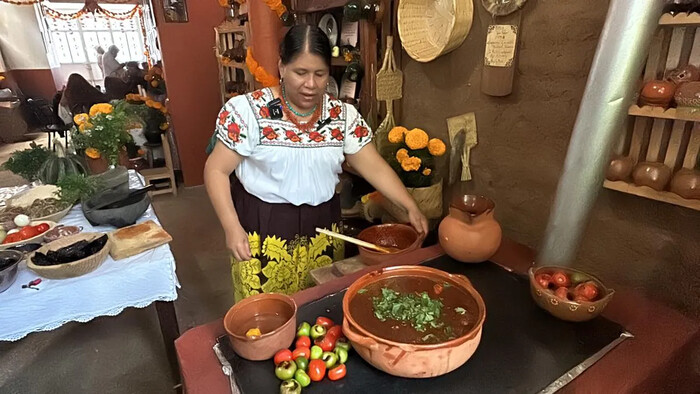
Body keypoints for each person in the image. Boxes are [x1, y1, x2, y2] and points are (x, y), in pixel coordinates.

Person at [204, 25, 428, 302]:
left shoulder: (341, 116)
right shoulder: (248, 112)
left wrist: (409, 205)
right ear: (282, 67)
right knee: (267, 315)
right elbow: (216, 170)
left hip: (323, 226)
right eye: (301, 72)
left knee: (320, 308)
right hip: (262, 227)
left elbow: (373, 165)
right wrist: (231, 226)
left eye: (319, 74)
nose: (311, 84)